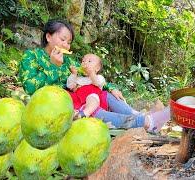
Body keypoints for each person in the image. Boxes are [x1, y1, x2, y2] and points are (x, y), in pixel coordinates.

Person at [18, 19, 170, 133]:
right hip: (57, 105)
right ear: (48, 37)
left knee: (104, 94)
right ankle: (144, 121)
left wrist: (111, 88)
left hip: (78, 96)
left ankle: (141, 116)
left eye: (69, 42)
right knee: (93, 109)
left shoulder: (68, 60)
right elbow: (31, 88)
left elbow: (87, 76)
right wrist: (52, 65)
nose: (66, 45)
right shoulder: (31, 57)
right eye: (62, 39)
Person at [66, 53, 108, 118]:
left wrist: (91, 73)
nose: (85, 63)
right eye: (83, 61)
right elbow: (70, 86)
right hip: (78, 100)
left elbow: (97, 83)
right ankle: (74, 113)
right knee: (68, 95)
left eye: (89, 61)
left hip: (90, 101)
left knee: (93, 97)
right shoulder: (79, 78)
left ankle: (85, 113)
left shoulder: (99, 77)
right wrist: (74, 74)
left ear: (97, 68)